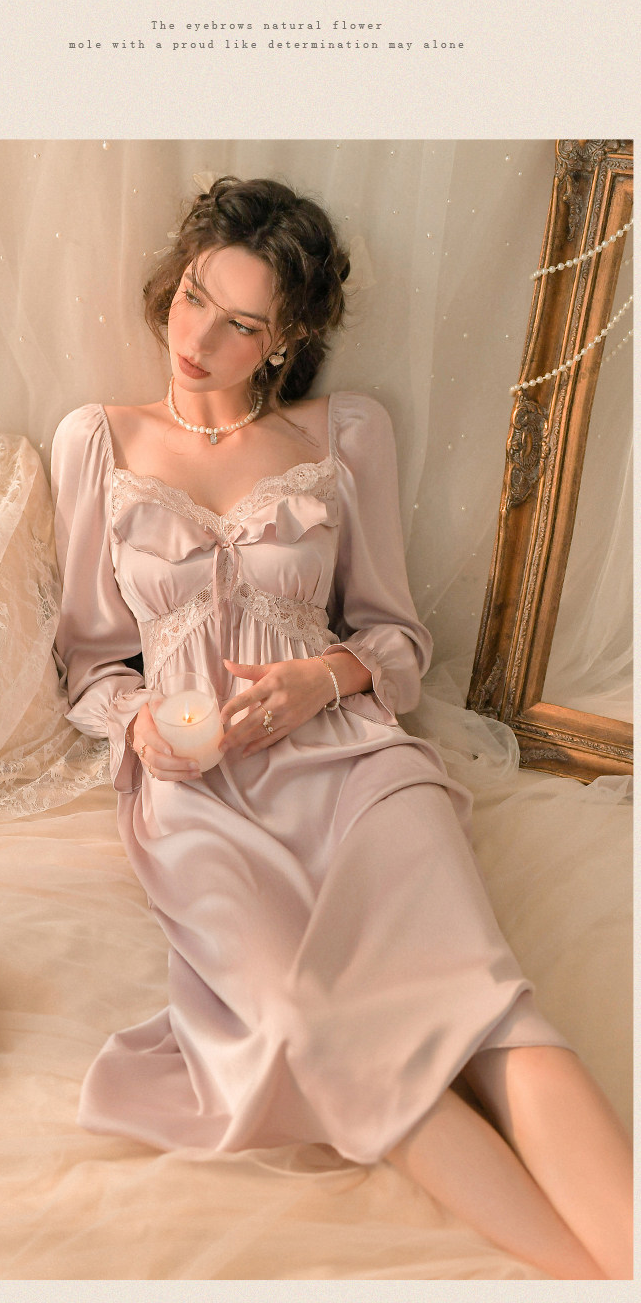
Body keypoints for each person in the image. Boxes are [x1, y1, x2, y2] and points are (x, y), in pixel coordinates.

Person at [51, 176, 632, 1280]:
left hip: (356, 765)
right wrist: (141, 727)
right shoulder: (99, 443)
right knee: (307, 1027)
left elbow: (396, 641)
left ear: (287, 339)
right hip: (198, 794)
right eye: (194, 297)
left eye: (241, 323)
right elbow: (87, 661)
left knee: (484, 1011)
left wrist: (319, 680)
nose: (198, 340)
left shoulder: (345, 433)